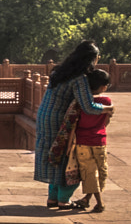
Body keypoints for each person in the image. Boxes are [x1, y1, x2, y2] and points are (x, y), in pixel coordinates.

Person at [34, 40, 110, 208]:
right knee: (65, 156)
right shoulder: (79, 78)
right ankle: (63, 200)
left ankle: (52, 198)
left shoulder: (60, 71)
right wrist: (107, 108)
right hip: (59, 119)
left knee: (54, 154)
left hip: (44, 115)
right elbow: (88, 106)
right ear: (91, 59)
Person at [73, 67, 114, 213]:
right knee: (100, 170)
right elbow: (106, 122)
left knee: (89, 171)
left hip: (82, 140)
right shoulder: (107, 101)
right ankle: (97, 202)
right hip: (99, 140)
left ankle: (90, 200)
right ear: (103, 87)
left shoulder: (82, 102)